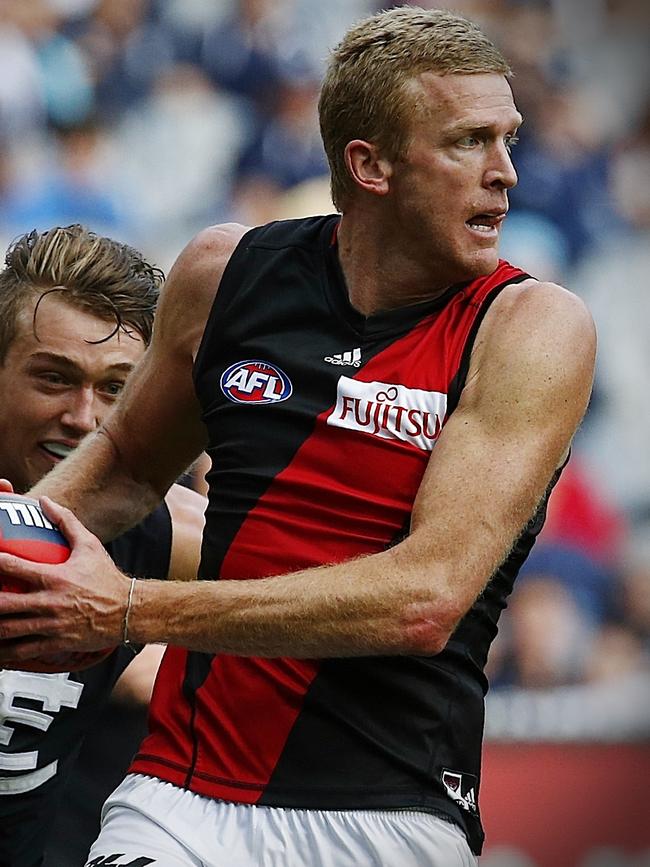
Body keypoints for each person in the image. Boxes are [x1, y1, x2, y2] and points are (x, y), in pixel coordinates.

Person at [0, 8, 596, 867]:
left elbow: (424, 599)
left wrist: (128, 609)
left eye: (507, 139)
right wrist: (17, 564)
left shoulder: (531, 328)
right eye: (469, 142)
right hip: (180, 796)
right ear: (369, 164)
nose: (505, 173)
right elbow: (127, 464)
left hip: (391, 808)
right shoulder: (226, 275)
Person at [0, 224, 205, 867]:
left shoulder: (163, 534)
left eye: (116, 389)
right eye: (54, 378)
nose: (85, 417)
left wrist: (138, 615)